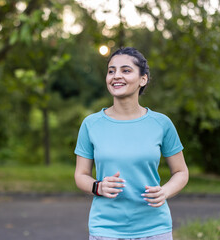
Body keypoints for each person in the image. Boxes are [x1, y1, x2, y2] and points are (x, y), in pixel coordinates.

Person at [74, 47, 189, 240]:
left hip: (154, 228)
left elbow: (181, 172)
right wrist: (98, 187)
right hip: (106, 229)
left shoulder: (161, 124)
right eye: (111, 71)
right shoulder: (91, 124)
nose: (116, 76)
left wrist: (165, 191)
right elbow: (81, 175)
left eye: (126, 70)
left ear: (142, 79)